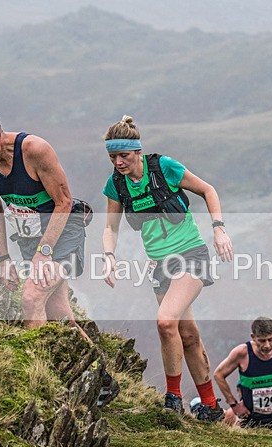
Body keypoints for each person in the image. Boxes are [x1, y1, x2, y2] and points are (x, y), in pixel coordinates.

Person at [101, 116, 234, 421]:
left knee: (165, 322)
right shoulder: (116, 184)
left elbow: (208, 190)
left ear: (138, 151)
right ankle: (211, 407)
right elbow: (110, 227)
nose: (118, 163)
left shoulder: (165, 168)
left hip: (191, 255)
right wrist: (109, 255)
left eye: (123, 156)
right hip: (160, 265)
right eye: (112, 157)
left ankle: (172, 399)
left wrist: (218, 229)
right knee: (187, 333)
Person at [0, 107, 86, 328]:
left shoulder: (34, 150)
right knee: (57, 312)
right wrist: (4, 259)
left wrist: (44, 252)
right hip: (30, 236)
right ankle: (94, 362)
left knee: (31, 298)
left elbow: (64, 202)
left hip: (61, 231)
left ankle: (36, 361)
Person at [214, 317, 272, 438]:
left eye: (270, 339)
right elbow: (218, 375)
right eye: (262, 341)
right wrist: (234, 404)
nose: (267, 345)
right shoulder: (243, 353)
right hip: (252, 417)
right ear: (253, 337)